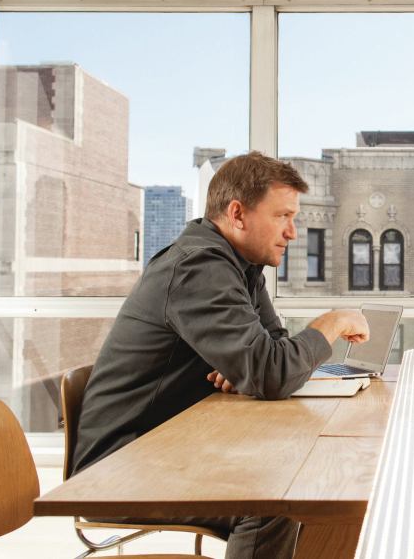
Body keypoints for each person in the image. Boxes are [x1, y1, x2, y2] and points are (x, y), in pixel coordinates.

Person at [72, 151, 370, 559]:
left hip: (174, 446)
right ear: (238, 214)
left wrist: (253, 368)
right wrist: (329, 324)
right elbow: (274, 371)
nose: (293, 232)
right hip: (121, 466)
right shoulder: (199, 267)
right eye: (282, 216)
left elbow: (274, 354)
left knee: (321, 481)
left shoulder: (240, 266)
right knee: (272, 501)